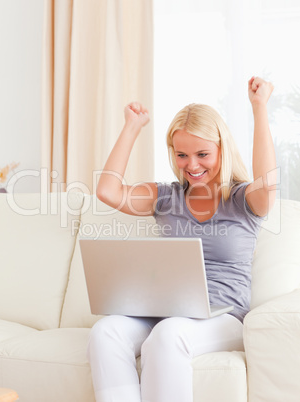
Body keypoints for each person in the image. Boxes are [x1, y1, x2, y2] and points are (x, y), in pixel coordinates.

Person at [87, 76, 276, 402]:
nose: (192, 165)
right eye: (181, 155)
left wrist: (259, 108)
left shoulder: (245, 199)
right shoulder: (166, 196)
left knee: (169, 334)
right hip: (163, 309)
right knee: (106, 332)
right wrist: (132, 127)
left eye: (202, 154)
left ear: (222, 148)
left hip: (222, 316)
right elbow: (108, 191)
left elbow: (267, 181)